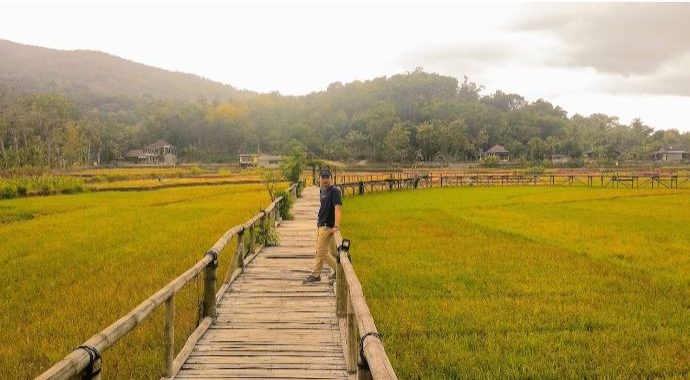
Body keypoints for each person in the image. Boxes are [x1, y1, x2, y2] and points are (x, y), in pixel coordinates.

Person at [303, 168, 342, 284]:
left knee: (321, 252)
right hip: (321, 224)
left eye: (327, 177)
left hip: (327, 226)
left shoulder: (334, 191)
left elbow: (337, 209)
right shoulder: (322, 190)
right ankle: (337, 270)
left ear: (331, 178)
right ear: (319, 179)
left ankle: (316, 274)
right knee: (321, 252)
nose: (325, 179)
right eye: (323, 177)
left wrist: (336, 226)